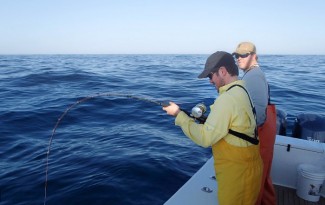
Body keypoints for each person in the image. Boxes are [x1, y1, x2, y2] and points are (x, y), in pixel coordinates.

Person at [163, 51, 262, 205]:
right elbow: (234, 126)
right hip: (248, 170)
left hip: (237, 177)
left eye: (210, 76)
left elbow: (205, 138)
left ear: (222, 71)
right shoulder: (242, 90)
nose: (210, 81)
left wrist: (178, 115)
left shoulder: (227, 99)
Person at [233, 42, 277, 205]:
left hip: (259, 137)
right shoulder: (252, 75)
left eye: (243, 55)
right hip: (263, 136)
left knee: (255, 182)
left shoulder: (254, 76)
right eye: (236, 55)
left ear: (254, 56)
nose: (239, 59)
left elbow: (259, 116)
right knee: (262, 178)